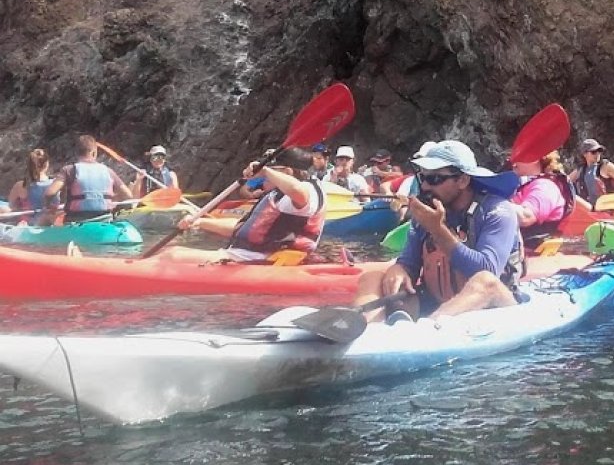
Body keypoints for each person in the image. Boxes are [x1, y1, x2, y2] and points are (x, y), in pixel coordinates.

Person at [353, 140, 523, 322]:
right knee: (372, 277)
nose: (425, 187)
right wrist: (399, 269)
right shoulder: (428, 211)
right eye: (423, 178)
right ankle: (364, 332)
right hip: (438, 302)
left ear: (463, 180)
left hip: (494, 306)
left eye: (435, 179)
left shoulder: (497, 211)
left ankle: (430, 330)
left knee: (485, 281)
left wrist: (437, 229)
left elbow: (486, 270)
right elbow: (410, 264)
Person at [161, 147, 325, 264]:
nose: (265, 178)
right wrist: (200, 223)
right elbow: (244, 228)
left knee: (171, 257)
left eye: (273, 171)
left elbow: (298, 190)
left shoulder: (308, 192)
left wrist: (266, 171)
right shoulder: (278, 194)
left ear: (288, 172)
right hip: (250, 256)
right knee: (170, 253)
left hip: (265, 260)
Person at [42, 135, 133, 223]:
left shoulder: (69, 170)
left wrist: (48, 206)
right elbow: (128, 195)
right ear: (94, 153)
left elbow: (49, 193)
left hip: (76, 220)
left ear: (76, 152)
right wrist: (110, 199)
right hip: (105, 219)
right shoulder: (109, 171)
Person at [512, 151, 575, 244]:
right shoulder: (533, 184)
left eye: (518, 157)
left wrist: (495, 205)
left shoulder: (545, 186)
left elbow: (525, 217)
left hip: (530, 252)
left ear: (533, 159)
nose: (513, 162)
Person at [7, 148, 60, 225]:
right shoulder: (56, 183)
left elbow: (11, 206)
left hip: (30, 224)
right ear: (47, 164)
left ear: (29, 166)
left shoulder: (21, 185)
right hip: (51, 222)